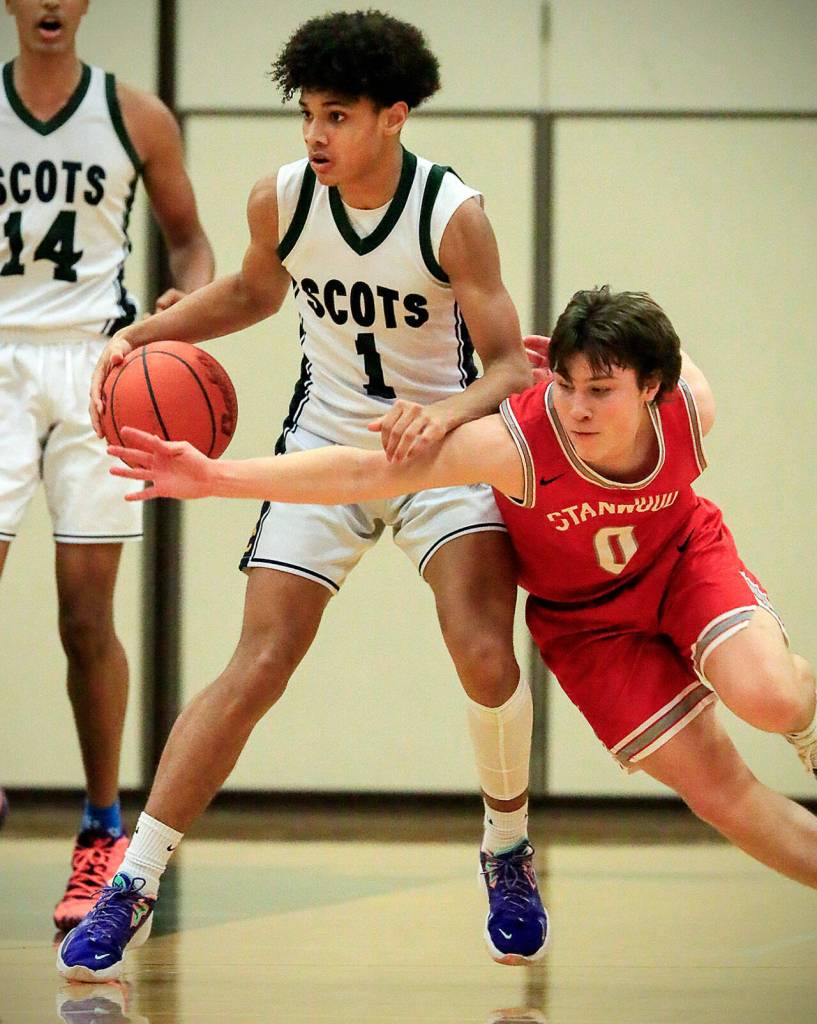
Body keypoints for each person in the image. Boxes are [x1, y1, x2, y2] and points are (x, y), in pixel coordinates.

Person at [65, 286, 817, 977]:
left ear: (650, 388)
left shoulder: (690, 408)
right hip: (589, 629)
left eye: (600, 389)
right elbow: (364, 475)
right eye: (565, 385)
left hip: (683, 564)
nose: (578, 408)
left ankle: (807, 722)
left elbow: (673, 352)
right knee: (720, 795)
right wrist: (216, 479)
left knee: (770, 699)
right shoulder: (515, 446)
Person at [57, 10, 547, 982]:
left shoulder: (452, 214)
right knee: (259, 659)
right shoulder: (281, 199)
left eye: (338, 115)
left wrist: (444, 418)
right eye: (306, 115)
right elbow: (250, 293)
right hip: (324, 439)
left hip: (438, 445)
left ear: (393, 117)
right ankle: (135, 879)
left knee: (485, 651)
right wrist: (143, 336)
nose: (316, 135)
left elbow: (508, 367)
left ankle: (505, 846)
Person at [1, 0, 214, 930]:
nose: (50, 2)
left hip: (102, 363)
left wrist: (188, 302)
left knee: (86, 616)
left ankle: (99, 829)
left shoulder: (136, 115)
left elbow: (194, 241)